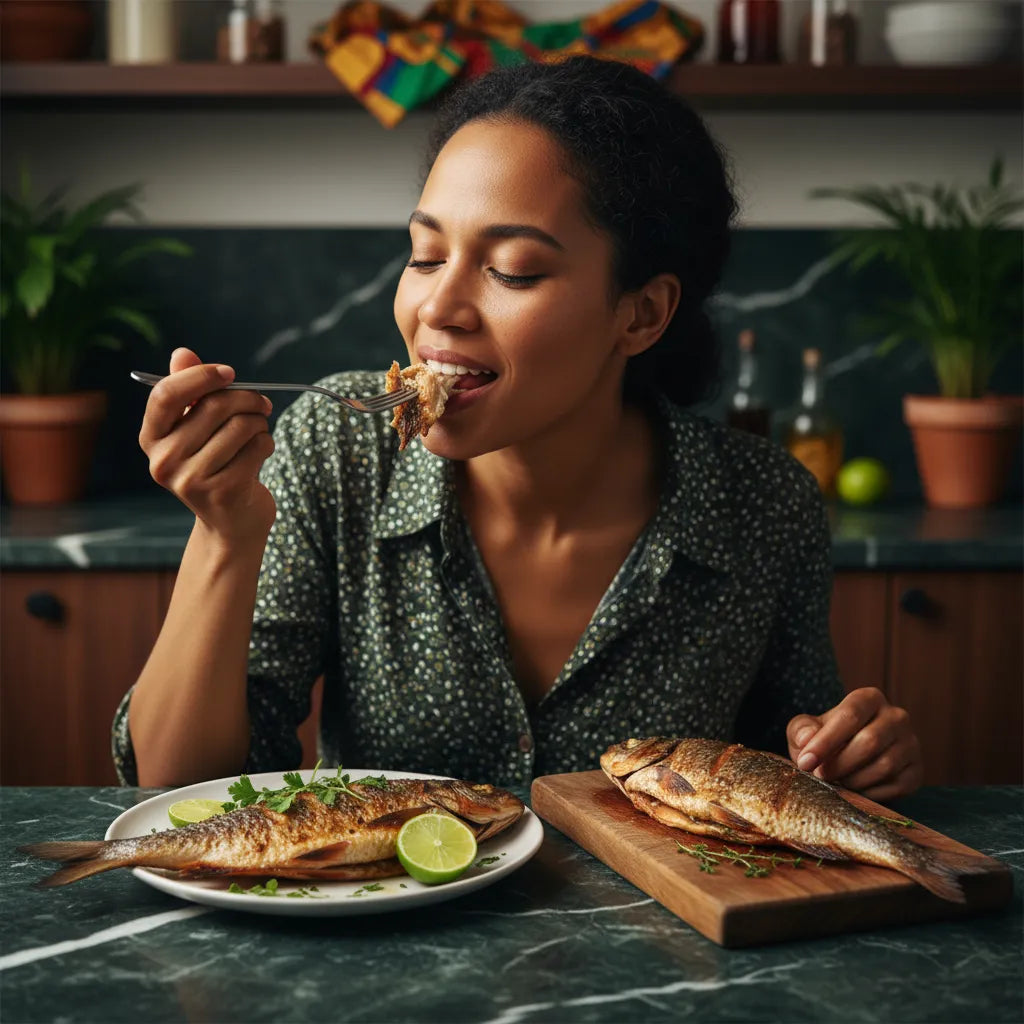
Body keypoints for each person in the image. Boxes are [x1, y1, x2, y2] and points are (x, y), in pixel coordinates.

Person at [114, 55, 922, 802]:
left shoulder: (763, 505)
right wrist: (222, 536)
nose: (437, 308)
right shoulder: (338, 447)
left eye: (513, 271)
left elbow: (791, 769)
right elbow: (179, 793)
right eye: (426, 255)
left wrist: (850, 755)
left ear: (640, 314)